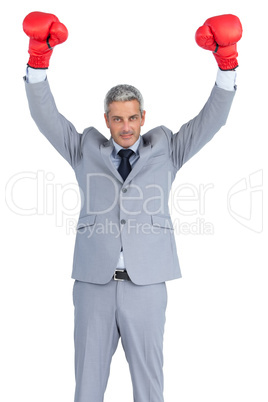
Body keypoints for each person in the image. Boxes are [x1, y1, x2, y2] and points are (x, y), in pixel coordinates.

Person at [23, 11, 242, 402]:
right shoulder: (84, 148)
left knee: (149, 388)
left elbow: (212, 120)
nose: (126, 126)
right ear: (106, 120)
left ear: (144, 117)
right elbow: (46, 119)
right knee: (87, 388)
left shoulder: (168, 148)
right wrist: (38, 60)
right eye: (118, 119)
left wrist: (227, 62)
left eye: (133, 118)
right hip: (94, 285)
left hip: (148, 284)